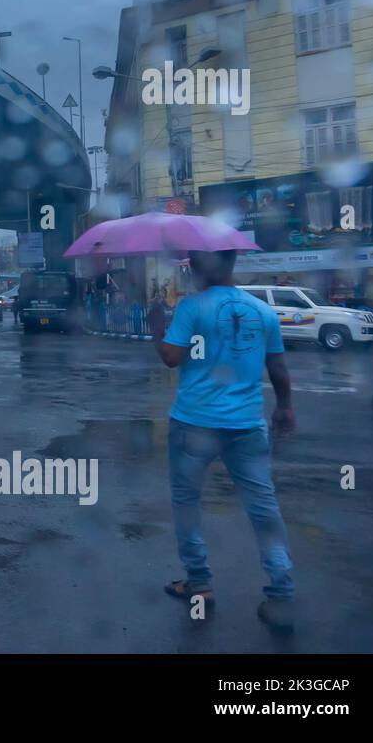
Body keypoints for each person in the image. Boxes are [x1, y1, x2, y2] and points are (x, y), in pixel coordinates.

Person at [150, 248, 297, 633]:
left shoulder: (191, 308)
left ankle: (199, 582)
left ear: (198, 267)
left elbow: (170, 357)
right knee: (263, 507)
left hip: (193, 423)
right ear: (233, 264)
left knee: (187, 502)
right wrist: (285, 407)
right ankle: (280, 592)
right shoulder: (262, 311)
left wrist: (155, 328)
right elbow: (278, 367)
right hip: (247, 425)